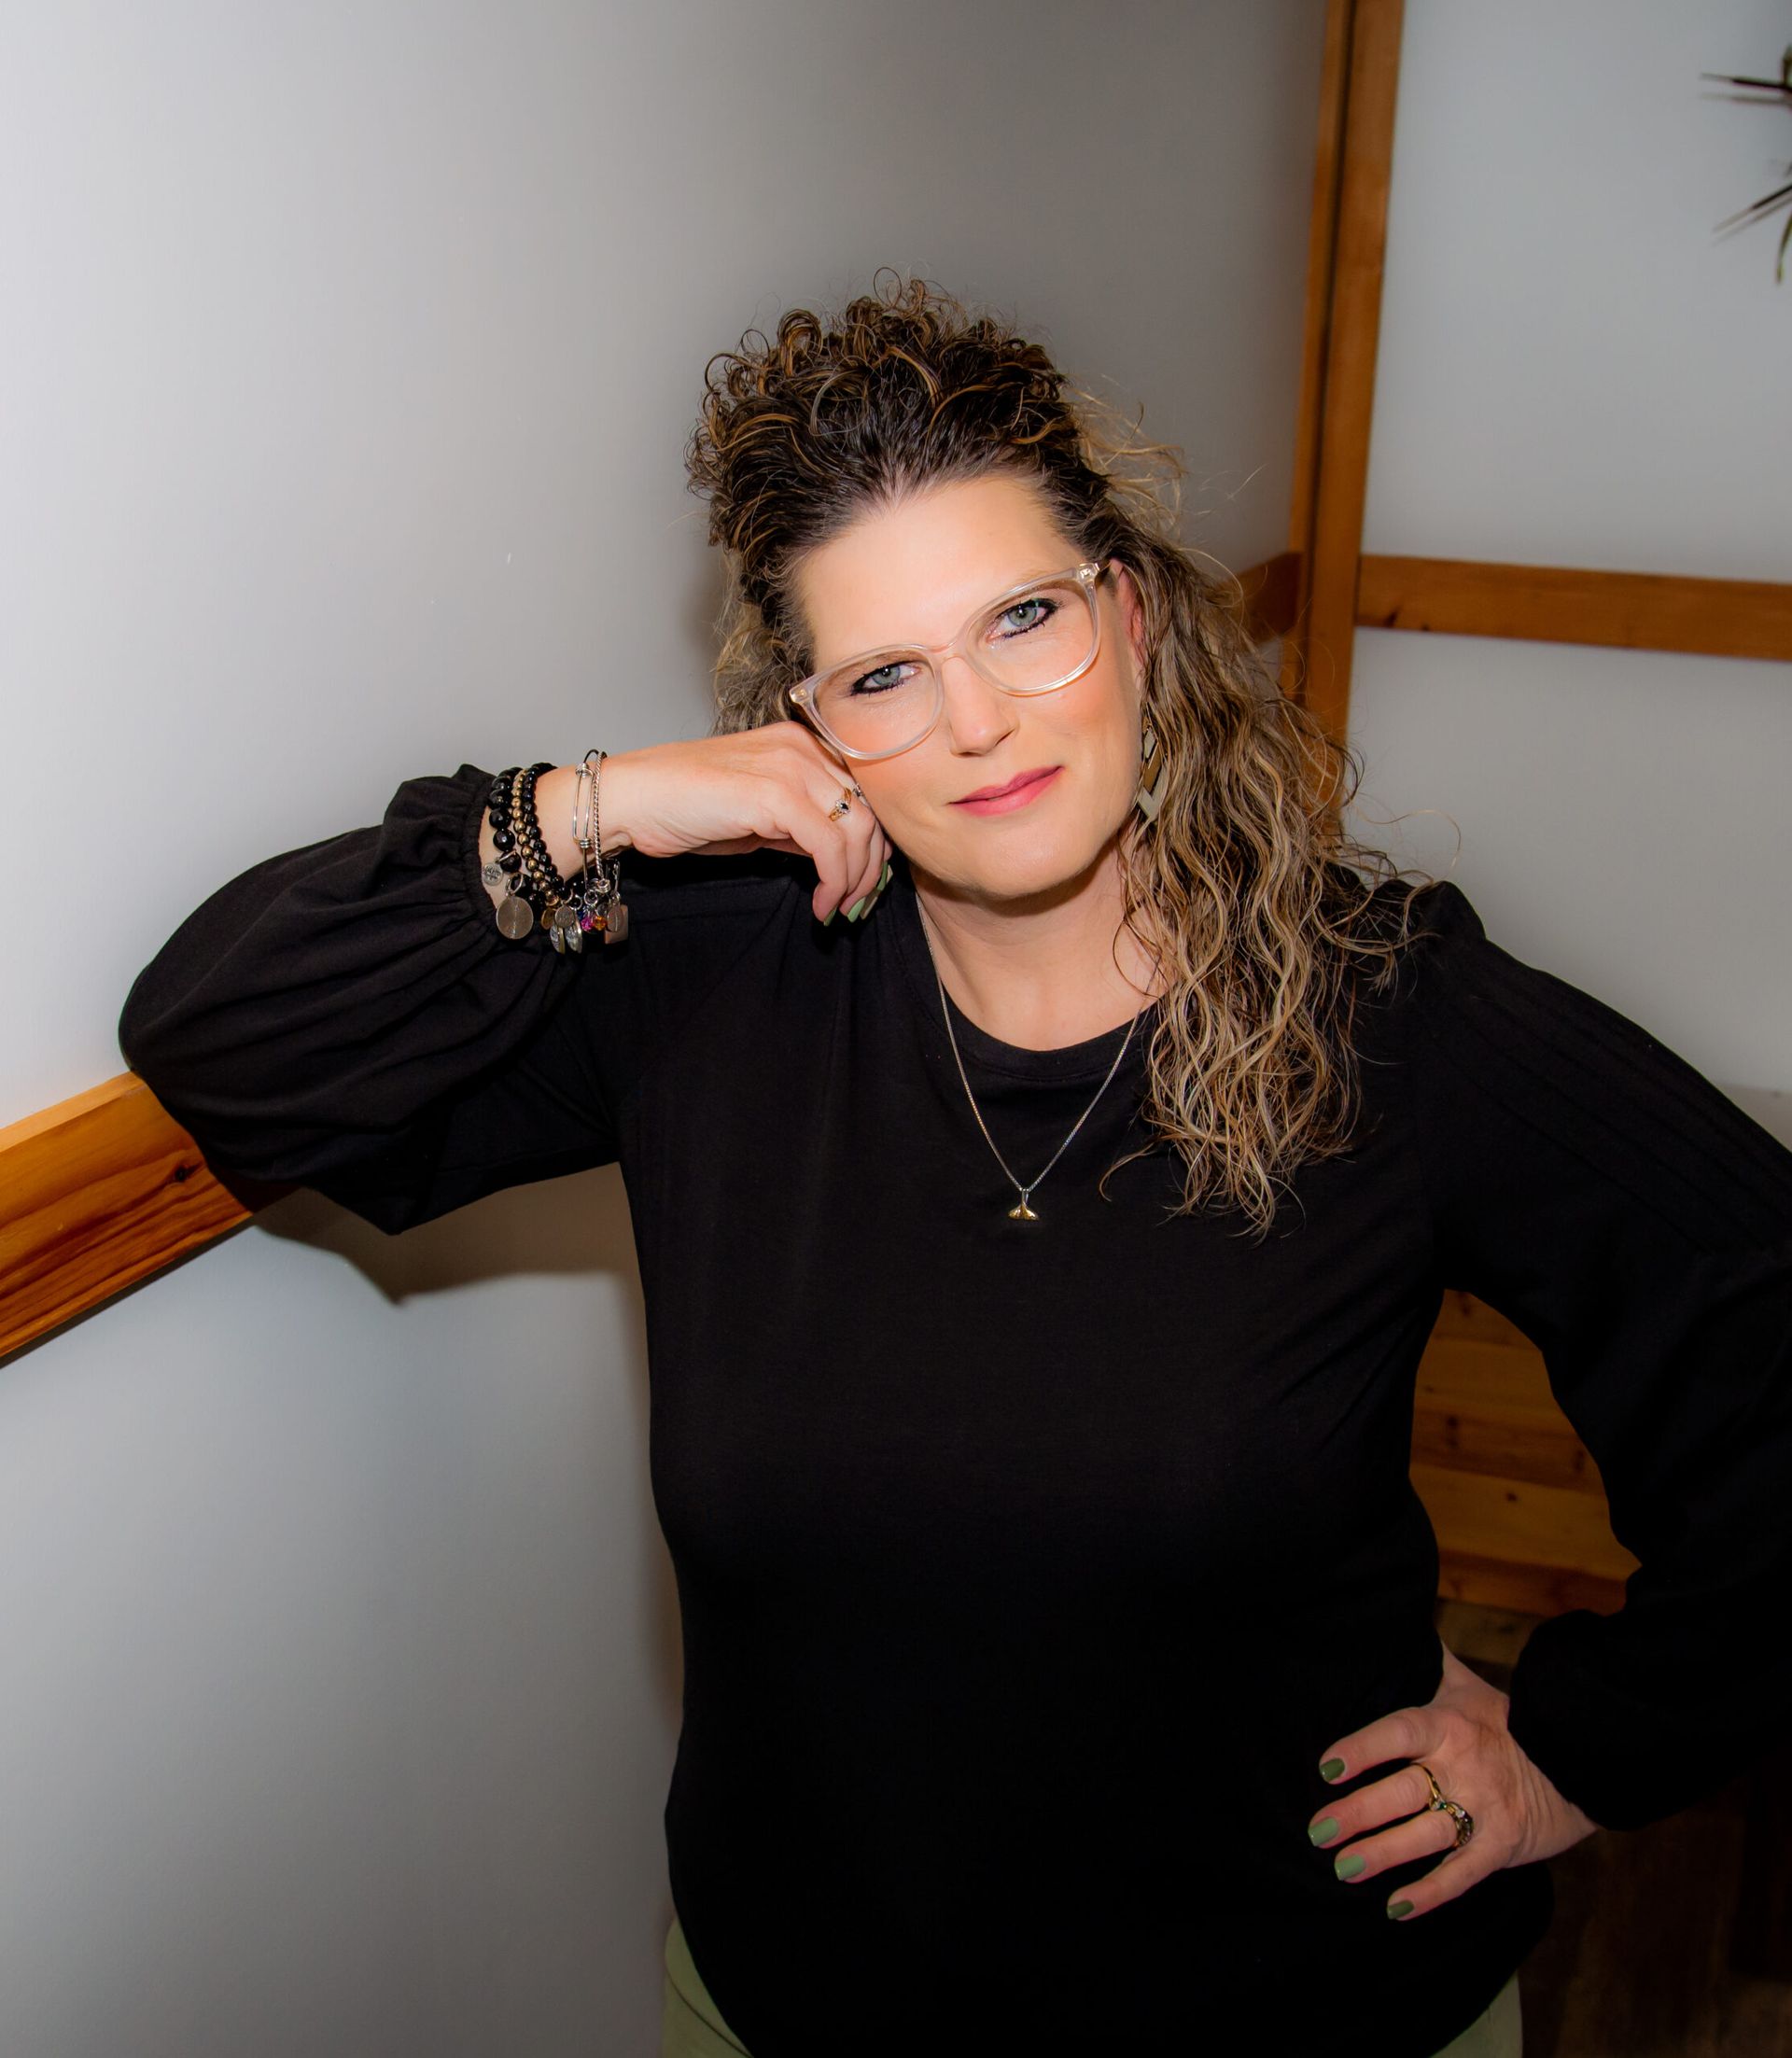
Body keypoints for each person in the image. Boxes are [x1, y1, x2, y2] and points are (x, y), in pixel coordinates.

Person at [118, 272, 1792, 2058]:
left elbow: (1761, 1312)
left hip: (1299, 2008)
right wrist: (591, 806)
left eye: (1024, 619)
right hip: (791, 2009)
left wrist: (1580, 1749)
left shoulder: (1384, 1011)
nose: (979, 722)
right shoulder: (714, 985)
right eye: (885, 674)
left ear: (1133, 621)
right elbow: (230, 1046)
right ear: (806, 725)